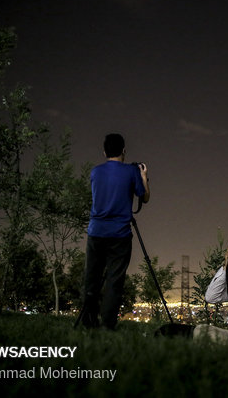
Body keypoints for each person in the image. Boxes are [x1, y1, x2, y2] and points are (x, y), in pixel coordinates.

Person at [80, 133, 149, 330]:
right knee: (114, 280)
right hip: (119, 234)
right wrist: (143, 177)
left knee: (91, 278)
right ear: (124, 151)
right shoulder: (130, 172)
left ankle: (88, 322)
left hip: (96, 232)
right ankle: (108, 325)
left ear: (104, 152)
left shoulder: (95, 172)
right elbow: (144, 198)